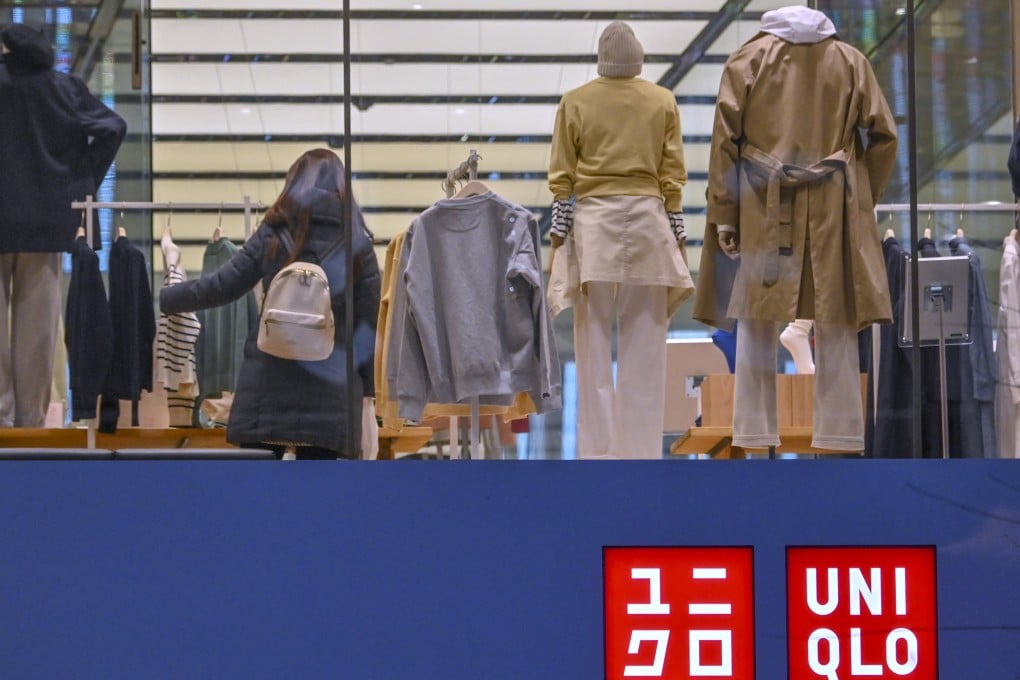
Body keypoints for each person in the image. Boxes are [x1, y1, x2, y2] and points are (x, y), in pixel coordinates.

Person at [694, 6, 898, 452]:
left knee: (756, 319)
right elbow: (884, 136)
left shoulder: (746, 60)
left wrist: (725, 212)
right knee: (837, 315)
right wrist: (863, 196)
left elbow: (723, 142)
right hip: (832, 201)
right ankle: (841, 435)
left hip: (762, 198)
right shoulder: (849, 61)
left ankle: (751, 432)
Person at [160, 149, 381, 459]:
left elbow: (222, 286)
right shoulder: (357, 245)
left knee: (260, 499)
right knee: (320, 502)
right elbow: (368, 327)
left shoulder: (273, 234)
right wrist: (367, 396)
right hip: (330, 395)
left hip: (267, 390)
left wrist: (169, 297)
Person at [547, 21, 695, 459]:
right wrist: (679, 227)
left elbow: (562, 177)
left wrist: (557, 235)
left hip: (594, 225)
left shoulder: (575, 102)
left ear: (601, 59)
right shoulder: (662, 101)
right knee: (646, 345)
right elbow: (672, 174)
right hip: (649, 222)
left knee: (590, 344)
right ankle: (642, 452)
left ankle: (596, 453)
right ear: (639, 57)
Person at [0, 23, 126, 427]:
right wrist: (81, 176)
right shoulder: (64, 87)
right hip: (46, 223)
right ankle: (30, 424)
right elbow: (113, 127)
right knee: (37, 332)